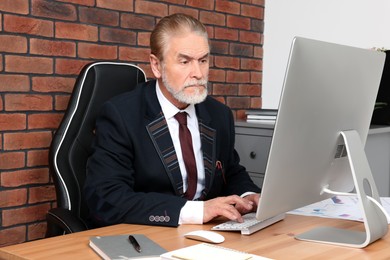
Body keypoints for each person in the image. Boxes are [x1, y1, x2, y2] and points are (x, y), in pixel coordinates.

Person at [84, 13, 261, 228]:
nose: (198, 73)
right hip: (146, 236)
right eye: (185, 61)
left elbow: (230, 172)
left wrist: (249, 195)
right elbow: (107, 198)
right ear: (156, 66)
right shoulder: (121, 116)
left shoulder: (219, 114)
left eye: (203, 60)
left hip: (207, 237)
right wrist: (196, 212)